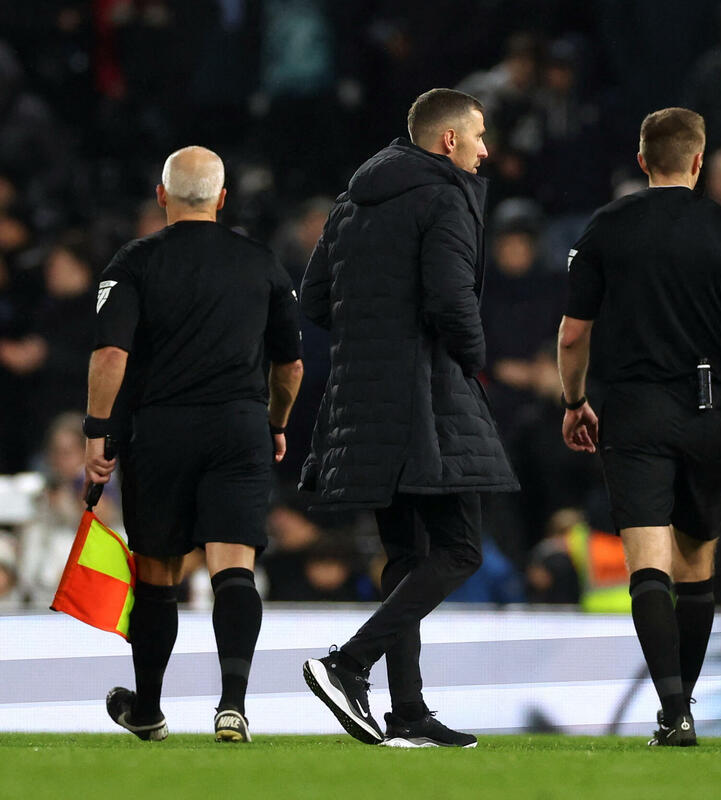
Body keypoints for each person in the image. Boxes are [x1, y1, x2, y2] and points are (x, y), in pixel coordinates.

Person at [558, 107, 721, 747]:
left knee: (648, 566)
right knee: (696, 565)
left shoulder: (607, 226)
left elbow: (574, 333)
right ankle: (682, 706)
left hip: (633, 409)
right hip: (705, 408)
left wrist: (574, 400)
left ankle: (673, 711)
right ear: (699, 161)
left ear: (643, 160)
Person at [299, 88, 519, 749]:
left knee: (406, 556)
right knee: (461, 549)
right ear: (449, 140)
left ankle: (408, 711)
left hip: (361, 400)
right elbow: (453, 300)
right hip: (427, 395)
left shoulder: (350, 203)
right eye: (479, 136)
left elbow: (315, 299)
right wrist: (473, 359)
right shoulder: (444, 196)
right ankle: (348, 663)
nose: (486, 150)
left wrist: (377, 330)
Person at [84, 146, 304, 743]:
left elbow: (110, 355)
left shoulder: (133, 262)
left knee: (157, 573)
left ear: (162, 196)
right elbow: (290, 367)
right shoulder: (261, 261)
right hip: (239, 427)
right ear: (222, 199)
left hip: (159, 432)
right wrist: (276, 422)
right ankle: (232, 705)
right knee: (233, 567)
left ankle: (148, 710)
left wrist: (97, 431)